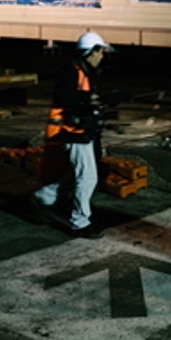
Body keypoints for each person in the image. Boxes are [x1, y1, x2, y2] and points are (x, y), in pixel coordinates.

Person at [31, 31, 113, 238]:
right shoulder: (72, 72)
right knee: (88, 178)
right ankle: (80, 222)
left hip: (86, 132)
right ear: (90, 52)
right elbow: (65, 97)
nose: (102, 56)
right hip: (75, 133)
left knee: (94, 173)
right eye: (100, 51)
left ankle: (45, 195)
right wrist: (89, 100)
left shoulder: (87, 72)